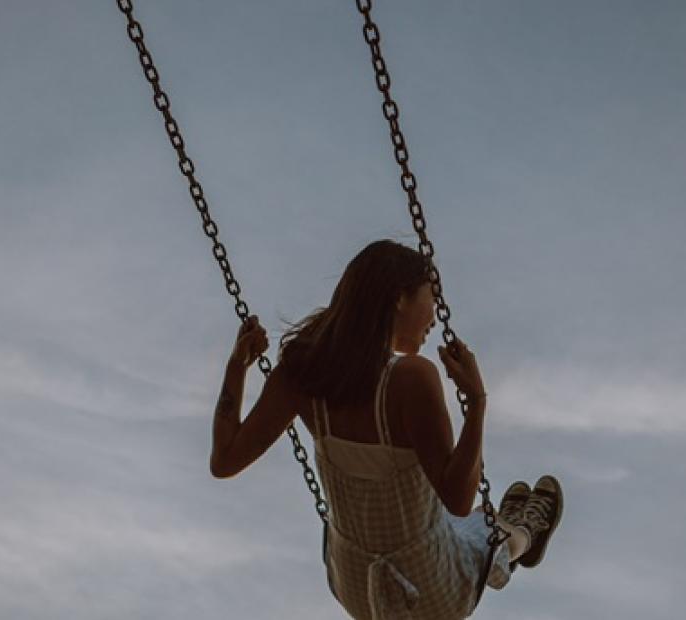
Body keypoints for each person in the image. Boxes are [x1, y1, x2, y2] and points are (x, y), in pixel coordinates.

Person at [209, 239, 563, 619]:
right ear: (399, 298)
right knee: (480, 533)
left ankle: (497, 518)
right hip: (430, 591)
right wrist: (476, 402)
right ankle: (522, 530)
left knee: (439, 521)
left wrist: (236, 365)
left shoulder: (301, 377)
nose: (434, 314)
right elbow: (458, 498)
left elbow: (224, 461)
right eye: (432, 295)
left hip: (356, 587)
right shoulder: (412, 379)